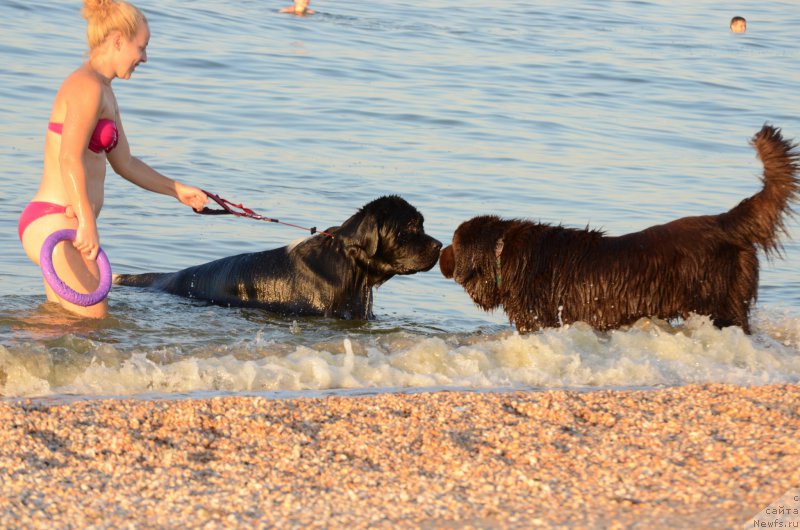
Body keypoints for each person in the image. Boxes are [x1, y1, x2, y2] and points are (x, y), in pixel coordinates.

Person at [18, 0, 208, 319]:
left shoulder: (104, 90)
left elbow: (126, 163)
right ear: (118, 39)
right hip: (56, 219)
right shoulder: (86, 86)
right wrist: (86, 221)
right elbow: (69, 158)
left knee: (62, 326)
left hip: (68, 221)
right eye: (142, 47)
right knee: (95, 326)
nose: (145, 58)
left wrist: (177, 190)